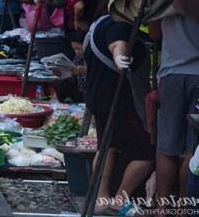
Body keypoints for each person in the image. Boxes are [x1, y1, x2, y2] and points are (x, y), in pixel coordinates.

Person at [83, 13, 154, 215]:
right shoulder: (119, 24)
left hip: (98, 97)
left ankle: (101, 198)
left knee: (107, 147)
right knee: (146, 153)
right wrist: (120, 57)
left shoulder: (98, 23)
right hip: (119, 100)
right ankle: (119, 199)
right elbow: (117, 45)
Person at [150, 14, 199, 207]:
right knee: (192, 147)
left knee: (167, 147)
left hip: (172, 74)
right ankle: (183, 207)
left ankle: (162, 208)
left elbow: (153, 33)